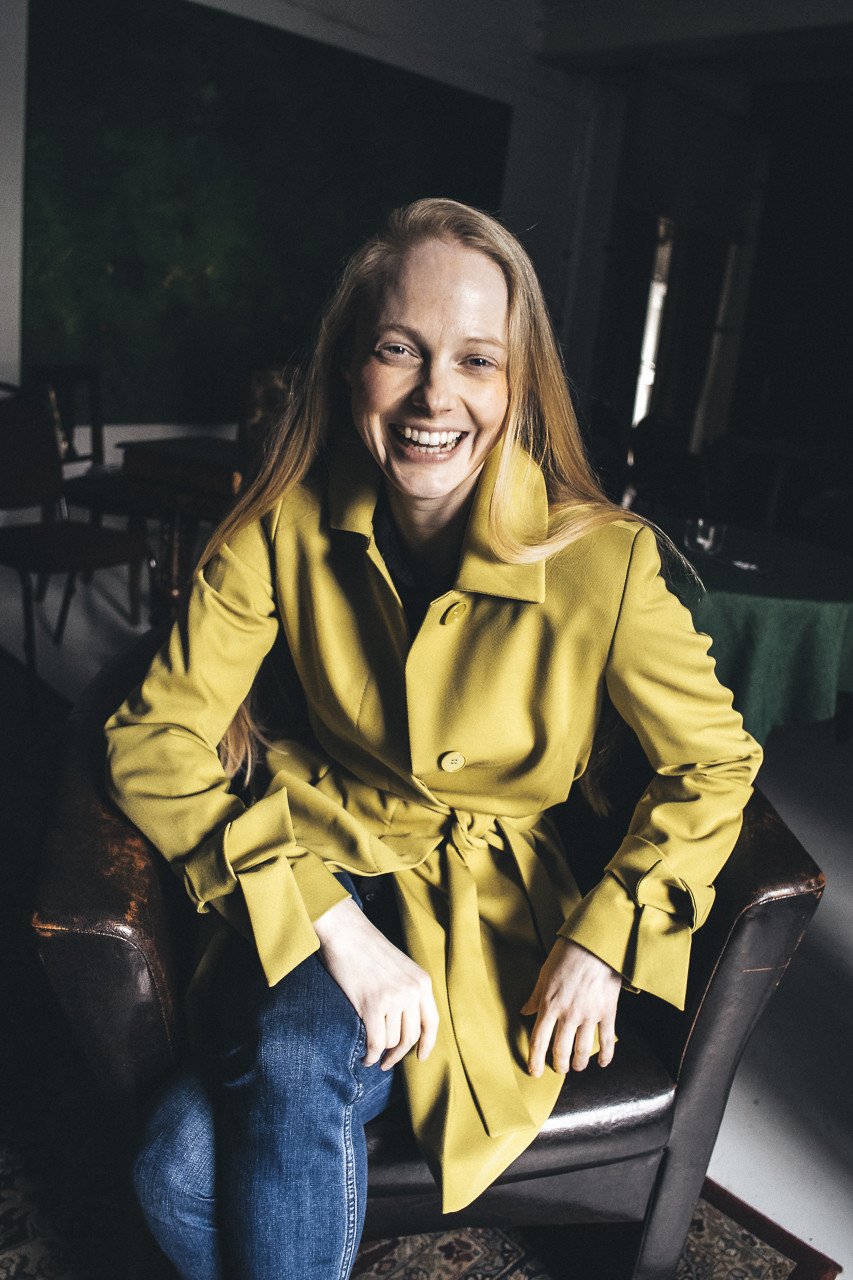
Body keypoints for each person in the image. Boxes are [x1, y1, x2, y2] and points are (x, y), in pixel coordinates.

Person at [104, 198, 762, 1280]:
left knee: (182, 1164)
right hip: (317, 851)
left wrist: (606, 935)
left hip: (489, 915)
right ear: (349, 363)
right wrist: (328, 921)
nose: (434, 396)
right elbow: (151, 738)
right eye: (399, 349)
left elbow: (715, 762)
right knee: (193, 1147)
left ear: (518, 385)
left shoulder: (606, 562)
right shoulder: (281, 525)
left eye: (475, 360)